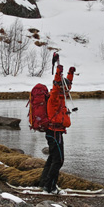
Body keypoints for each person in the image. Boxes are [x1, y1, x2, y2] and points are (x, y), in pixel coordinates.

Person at [38, 64, 74, 194]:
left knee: (52, 158)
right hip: (54, 132)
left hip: (55, 132)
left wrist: (70, 73)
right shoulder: (54, 97)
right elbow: (57, 84)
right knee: (59, 160)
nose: (67, 90)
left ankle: (43, 183)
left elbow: (67, 84)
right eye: (64, 88)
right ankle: (50, 187)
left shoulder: (61, 96)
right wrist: (58, 72)